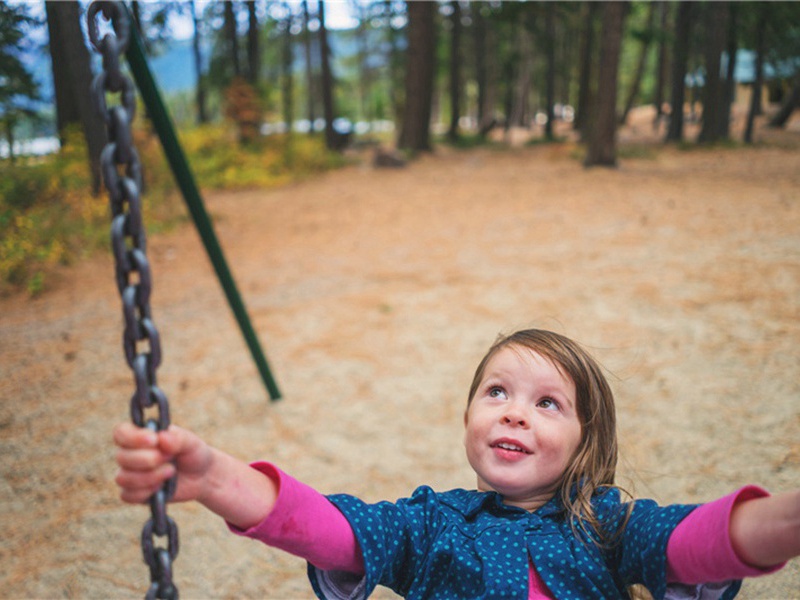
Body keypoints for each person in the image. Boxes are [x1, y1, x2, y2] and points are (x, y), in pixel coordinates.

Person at [114, 329, 799, 599]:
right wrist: (215, 479)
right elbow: (330, 530)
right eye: (495, 392)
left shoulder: (611, 527)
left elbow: (705, 541)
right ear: (469, 416)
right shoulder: (430, 525)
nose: (513, 413)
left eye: (548, 403)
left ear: (587, 442)